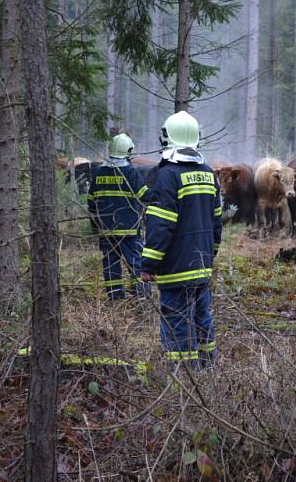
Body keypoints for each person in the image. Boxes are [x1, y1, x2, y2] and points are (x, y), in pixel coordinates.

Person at [140, 111, 222, 369]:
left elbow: (160, 225)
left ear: (166, 137)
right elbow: (217, 222)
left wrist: (148, 264)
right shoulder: (209, 174)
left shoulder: (167, 175)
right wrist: (210, 254)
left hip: (176, 268)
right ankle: (208, 370)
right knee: (202, 317)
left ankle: (182, 379)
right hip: (202, 264)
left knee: (176, 321)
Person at [88, 133, 152, 299]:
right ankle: (141, 294)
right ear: (127, 151)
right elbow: (145, 195)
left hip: (106, 229)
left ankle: (115, 295)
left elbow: (91, 202)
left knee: (110, 263)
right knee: (136, 261)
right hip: (129, 230)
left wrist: (96, 226)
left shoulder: (98, 173)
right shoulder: (130, 172)